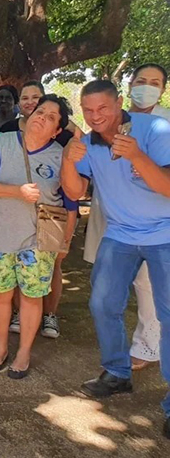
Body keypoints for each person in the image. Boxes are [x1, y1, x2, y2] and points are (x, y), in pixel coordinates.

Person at [62, 79, 170, 441]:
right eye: (88, 110)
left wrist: (138, 155)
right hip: (121, 233)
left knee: (168, 314)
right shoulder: (88, 143)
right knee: (102, 303)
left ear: (120, 102)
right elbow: (75, 192)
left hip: (164, 234)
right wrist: (67, 160)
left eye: (103, 108)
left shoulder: (154, 129)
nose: (96, 117)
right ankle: (117, 373)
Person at [0, 96, 75, 379]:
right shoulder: (3, 142)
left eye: (52, 116)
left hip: (40, 239)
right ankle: (1, 349)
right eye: (40, 110)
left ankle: (23, 352)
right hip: (1, 236)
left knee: (31, 297)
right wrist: (16, 191)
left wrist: (65, 240)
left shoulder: (60, 155)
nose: (42, 116)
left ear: (57, 130)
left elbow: (71, 203)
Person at [84, 63, 169, 372]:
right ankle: (116, 359)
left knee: (151, 290)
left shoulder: (162, 127)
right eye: (141, 80)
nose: (146, 86)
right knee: (108, 293)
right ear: (128, 87)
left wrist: (140, 159)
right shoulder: (103, 126)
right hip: (113, 218)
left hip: (155, 227)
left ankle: (148, 344)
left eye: (155, 82)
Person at [0, 85, 77, 339]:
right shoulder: (7, 133)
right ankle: (18, 314)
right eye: (27, 99)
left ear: (58, 128)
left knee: (52, 267)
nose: (32, 105)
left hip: (50, 221)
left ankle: (49, 314)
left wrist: (67, 235)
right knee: (12, 275)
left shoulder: (63, 146)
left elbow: (71, 198)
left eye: (38, 99)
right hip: (12, 223)